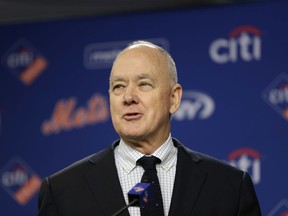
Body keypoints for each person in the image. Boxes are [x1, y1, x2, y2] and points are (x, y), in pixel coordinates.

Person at [38, 40, 262, 216]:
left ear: (174, 99)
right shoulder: (62, 191)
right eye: (118, 86)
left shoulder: (229, 186)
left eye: (144, 84)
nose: (128, 97)